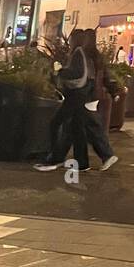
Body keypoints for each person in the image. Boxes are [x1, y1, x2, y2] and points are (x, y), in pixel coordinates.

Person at [35, 30, 93, 172]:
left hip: (75, 95)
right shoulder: (82, 53)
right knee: (77, 128)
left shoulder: (78, 53)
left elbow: (76, 73)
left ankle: (54, 156)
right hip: (80, 94)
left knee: (56, 123)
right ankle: (81, 162)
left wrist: (60, 70)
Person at [81, 29, 119, 171]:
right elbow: (106, 76)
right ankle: (103, 155)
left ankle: (106, 154)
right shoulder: (98, 56)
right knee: (87, 126)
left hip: (86, 95)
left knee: (91, 126)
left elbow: (88, 77)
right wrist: (113, 90)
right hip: (94, 95)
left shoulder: (85, 55)